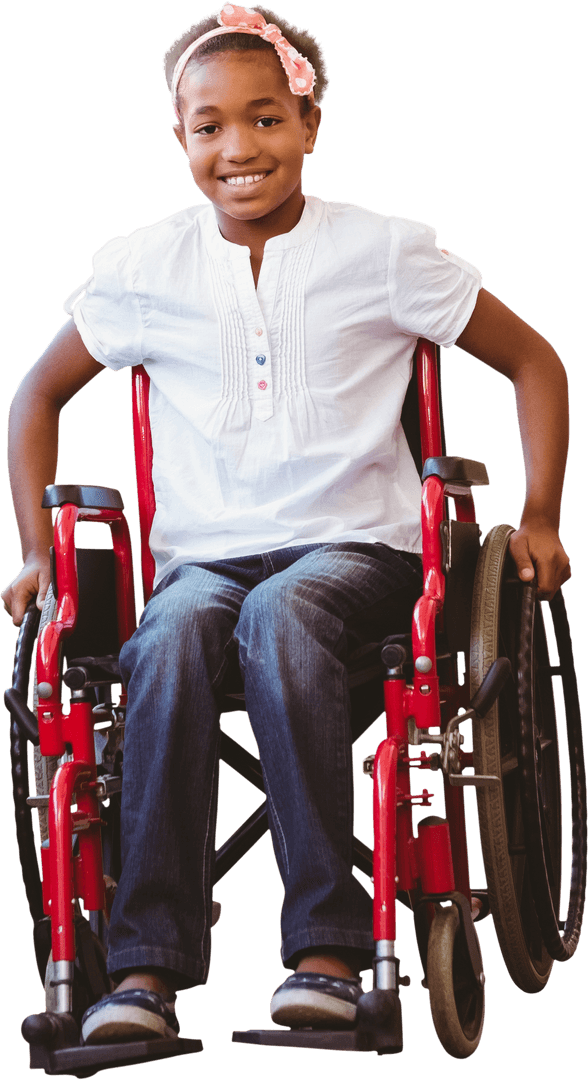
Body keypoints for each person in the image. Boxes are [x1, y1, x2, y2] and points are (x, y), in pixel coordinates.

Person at [2, 2, 571, 1045]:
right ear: (180, 140)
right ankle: (143, 971)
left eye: (265, 120)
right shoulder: (144, 268)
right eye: (210, 127)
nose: (239, 150)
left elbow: (537, 361)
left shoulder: (385, 251)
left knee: (281, 608)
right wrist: (38, 552)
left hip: (359, 554)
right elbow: (34, 396)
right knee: (167, 632)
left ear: (309, 125)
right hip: (203, 567)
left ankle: (326, 951)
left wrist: (539, 514)